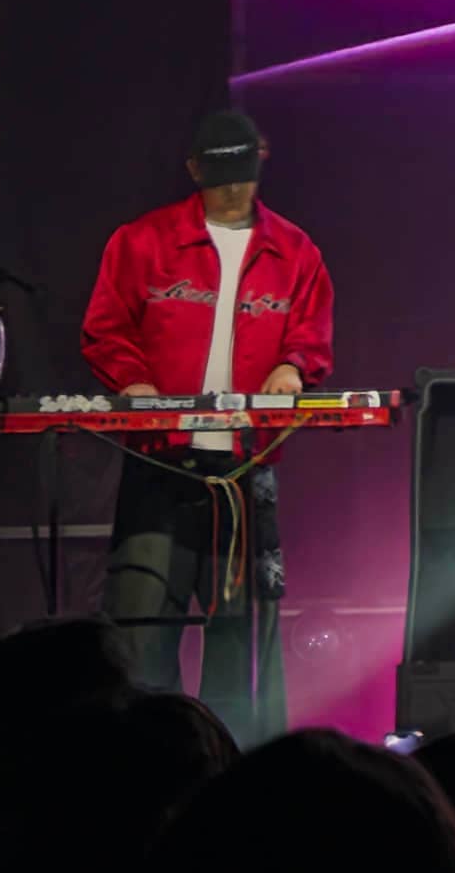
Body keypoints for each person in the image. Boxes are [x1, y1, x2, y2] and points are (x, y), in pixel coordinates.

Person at [84, 108, 335, 738]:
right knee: (140, 630)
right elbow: (107, 328)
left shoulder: (294, 250)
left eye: (242, 176)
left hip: (246, 469)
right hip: (160, 465)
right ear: (194, 171)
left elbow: (311, 332)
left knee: (243, 640)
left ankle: (240, 764)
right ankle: (143, 761)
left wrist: (293, 365)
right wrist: (134, 382)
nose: (232, 191)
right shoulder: (142, 242)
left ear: (261, 163)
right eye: (220, 178)